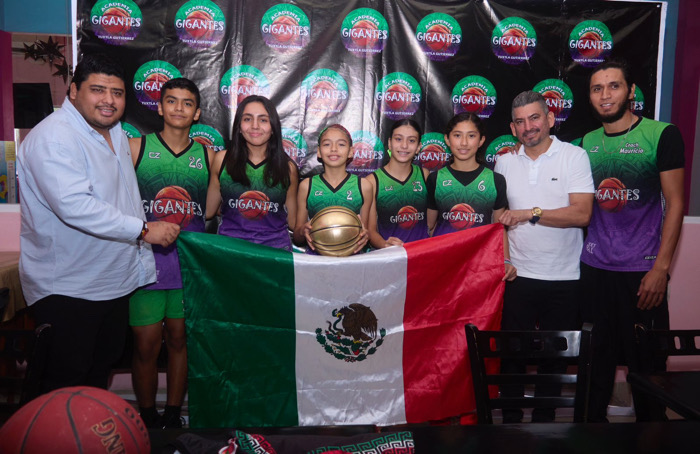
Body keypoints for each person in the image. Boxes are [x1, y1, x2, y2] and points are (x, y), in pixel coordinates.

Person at [17, 53, 180, 395]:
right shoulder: (54, 137)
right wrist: (144, 230)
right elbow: (74, 206)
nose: (108, 100)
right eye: (98, 90)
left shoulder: (115, 132)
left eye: (117, 93)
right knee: (61, 387)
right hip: (68, 289)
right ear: (73, 91)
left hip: (111, 284)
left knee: (96, 379)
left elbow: (124, 197)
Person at [579, 60, 685, 422]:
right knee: (594, 376)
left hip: (643, 276)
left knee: (648, 377)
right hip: (594, 273)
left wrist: (662, 269)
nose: (605, 95)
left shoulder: (661, 134)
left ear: (631, 91)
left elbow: (676, 204)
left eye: (613, 86)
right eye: (597, 88)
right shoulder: (584, 144)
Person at [495, 91, 594, 423]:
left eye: (535, 118)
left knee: (554, 358)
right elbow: (497, 221)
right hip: (517, 276)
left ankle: (545, 426)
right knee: (512, 356)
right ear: (512, 128)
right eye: (521, 122)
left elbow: (581, 214)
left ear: (550, 119)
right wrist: (506, 261)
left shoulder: (574, 156)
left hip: (564, 277)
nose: (529, 127)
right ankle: (508, 425)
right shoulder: (504, 161)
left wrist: (529, 213)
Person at [128, 78, 213, 428]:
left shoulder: (208, 155)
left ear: (197, 113)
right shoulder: (135, 147)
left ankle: (174, 414)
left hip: (187, 265)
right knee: (147, 344)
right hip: (143, 263)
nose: (179, 108)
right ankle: (146, 415)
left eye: (187, 103)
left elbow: (211, 210)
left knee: (180, 340)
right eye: (172, 101)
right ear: (159, 107)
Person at [426, 113, 516, 281]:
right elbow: (429, 227)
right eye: (457, 135)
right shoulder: (435, 179)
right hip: (443, 265)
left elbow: (498, 228)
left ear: (481, 140)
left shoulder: (495, 180)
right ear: (447, 139)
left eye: (471, 136)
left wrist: (506, 260)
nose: (464, 143)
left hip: (481, 266)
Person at [207, 95, 298, 250]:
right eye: (248, 119)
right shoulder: (222, 160)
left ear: (273, 127)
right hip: (230, 251)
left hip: (275, 254)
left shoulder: (288, 168)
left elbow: (293, 222)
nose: (255, 126)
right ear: (239, 127)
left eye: (263, 120)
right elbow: (208, 211)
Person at [294, 124, 370, 253]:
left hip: (353, 260)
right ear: (319, 151)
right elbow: (297, 237)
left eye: (341, 144)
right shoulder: (307, 186)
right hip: (316, 260)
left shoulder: (364, 186)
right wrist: (303, 230)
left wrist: (365, 236)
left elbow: (367, 232)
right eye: (327, 144)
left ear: (351, 151)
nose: (334, 149)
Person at [365, 119, 430, 248]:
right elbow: (370, 231)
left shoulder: (425, 175)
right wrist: (385, 245)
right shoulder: (372, 181)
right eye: (398, 139)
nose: (404, 146)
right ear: (389, 143)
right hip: (390, 260)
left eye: (411, 140)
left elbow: (432, 223)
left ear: (418, 147)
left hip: (422, 255)